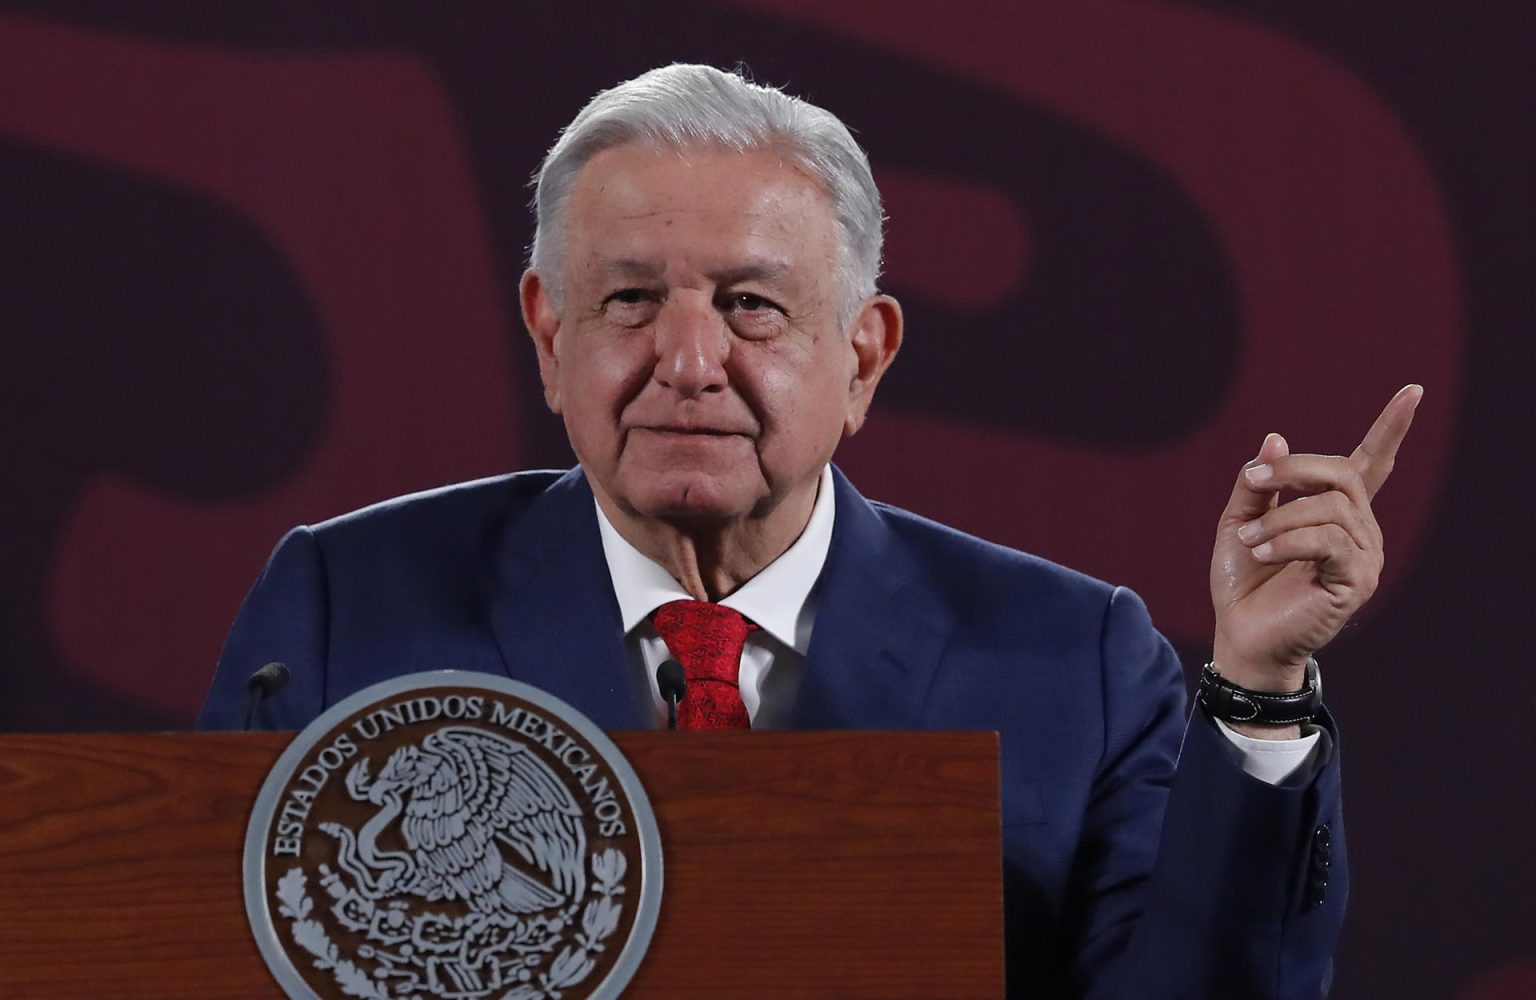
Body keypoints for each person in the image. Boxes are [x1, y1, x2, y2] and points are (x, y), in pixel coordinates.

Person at [199, 63, 1421, 998]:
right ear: (548, 334)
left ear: (862, 356)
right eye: (631, 299)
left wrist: (1258, 689)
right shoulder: (340, 606)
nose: (689, 361)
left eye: (751, 306)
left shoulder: (1072, 659)